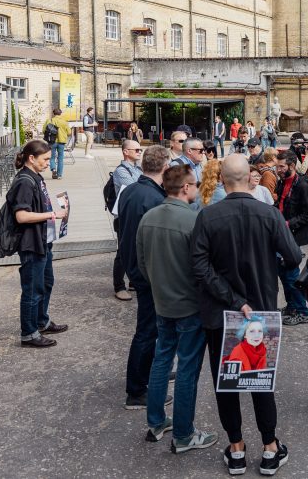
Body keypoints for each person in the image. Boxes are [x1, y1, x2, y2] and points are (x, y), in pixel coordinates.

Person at [192, 154, 302, 476]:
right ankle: (269, 447)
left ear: (223, 180)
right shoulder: (268, 213)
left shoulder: (209, 216)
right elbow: (294, 256)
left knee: (226, 382)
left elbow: (199, 267)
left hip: (222, 311)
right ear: (248, 177)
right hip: (258, 310)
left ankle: (237, 448)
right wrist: (268, 270)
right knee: (260, 381)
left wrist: (232, 297)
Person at [138, 165, 218, 452]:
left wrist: (160, 287)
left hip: (162, 301)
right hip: (189, 304)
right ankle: (183, 434)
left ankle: (156, 421)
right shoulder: (193, 220)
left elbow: (142, 264)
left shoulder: (149, 218)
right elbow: (203, 268)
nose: (196, 189)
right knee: (187, 368)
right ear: (185, 187)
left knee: (162, 359)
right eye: (194, 184)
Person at [117, 145, 172, 409]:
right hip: (148, 273)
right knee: (148, 330)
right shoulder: (154, 198)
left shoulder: (132, 190)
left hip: (136, 268)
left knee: (152, 329)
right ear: (164, 167)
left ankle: (148, 374)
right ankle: (137, 391)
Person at [7, 140, 69, 347]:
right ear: (31, 158)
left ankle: (41, 321)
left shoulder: (35, 176)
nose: (48, 164)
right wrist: (53, 214)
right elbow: (22, 216)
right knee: (32, 290)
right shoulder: (24, 181)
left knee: (45, 283)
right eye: (45, 159)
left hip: (43, 241)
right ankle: (29, 333)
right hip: (31, 243)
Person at [275, 150, 308, 326]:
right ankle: (292, 307)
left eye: (281, 166)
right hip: (282, 235)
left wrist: (287, 224)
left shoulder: (302, 186)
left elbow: (306, 216)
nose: (278, 169)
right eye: (277, 166)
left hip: (293, 236)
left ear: (291, 165)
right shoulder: (282, 182)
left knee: (291, 276)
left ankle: (302, 311)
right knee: (283, 274)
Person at [111, 140, 143, 301]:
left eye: (140, 150)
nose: (139, 152)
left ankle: (133, 281)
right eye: (136, 149)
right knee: (123, 251)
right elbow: (136, 189)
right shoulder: (121, 171)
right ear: (125, 152)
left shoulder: (138, 168)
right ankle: (119, 286)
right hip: (123, 217)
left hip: (136, 214)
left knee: (137, 248)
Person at [45, 108, 70, 180]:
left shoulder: (49, 121)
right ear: (60, 113)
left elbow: (44, 130)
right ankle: (59, 175)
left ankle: (53, 169)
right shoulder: (64, 122)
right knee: (60, 158)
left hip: (52, 141)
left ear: (53, 114)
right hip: (61, 142)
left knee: (52, 157)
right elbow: (69, 132)